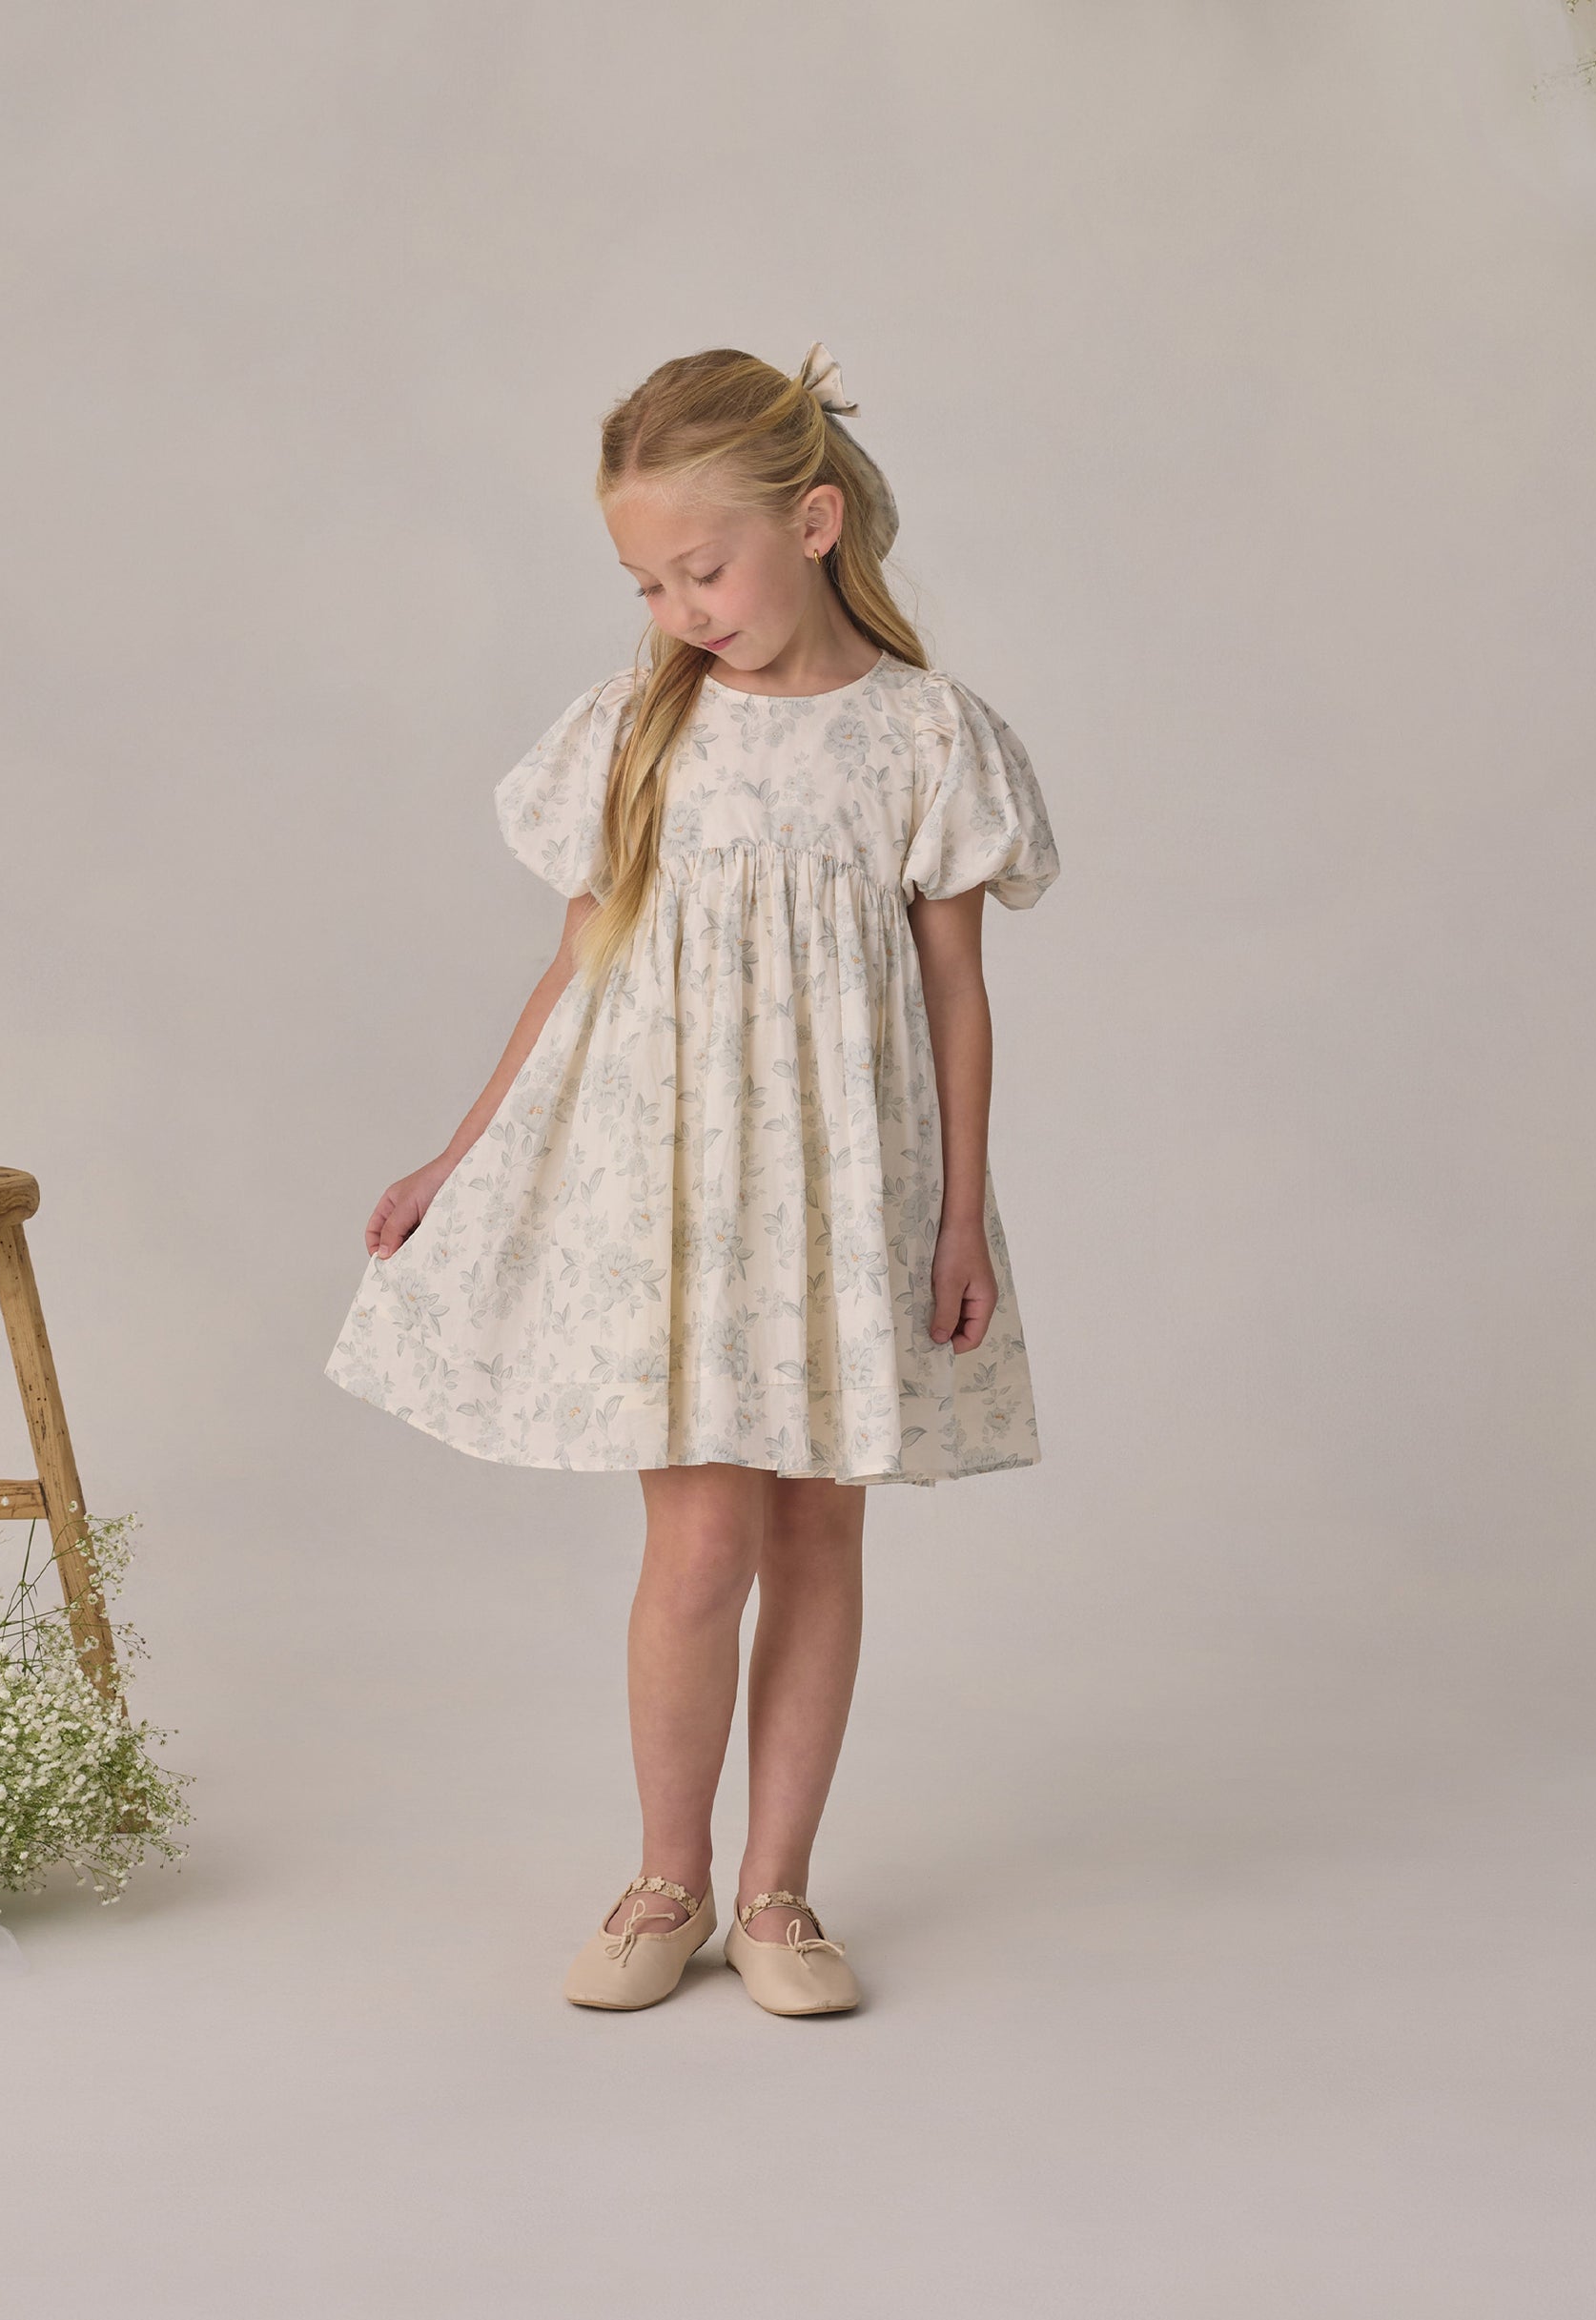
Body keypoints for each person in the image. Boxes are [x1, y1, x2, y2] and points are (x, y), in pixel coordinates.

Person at [324, 341, 1061, 2017]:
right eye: (645, 583)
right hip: (673, 1191)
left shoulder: (924, 735)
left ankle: (779, 1894)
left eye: (700, 571)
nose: (675, 610)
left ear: (811, 523)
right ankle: (666, 1877)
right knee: (701, 1532)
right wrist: (459, 1149)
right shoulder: (636, 729)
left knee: (816, 1525)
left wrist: (959, 1214)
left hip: (845, 1193)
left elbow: (955, 991)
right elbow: (574, 966)